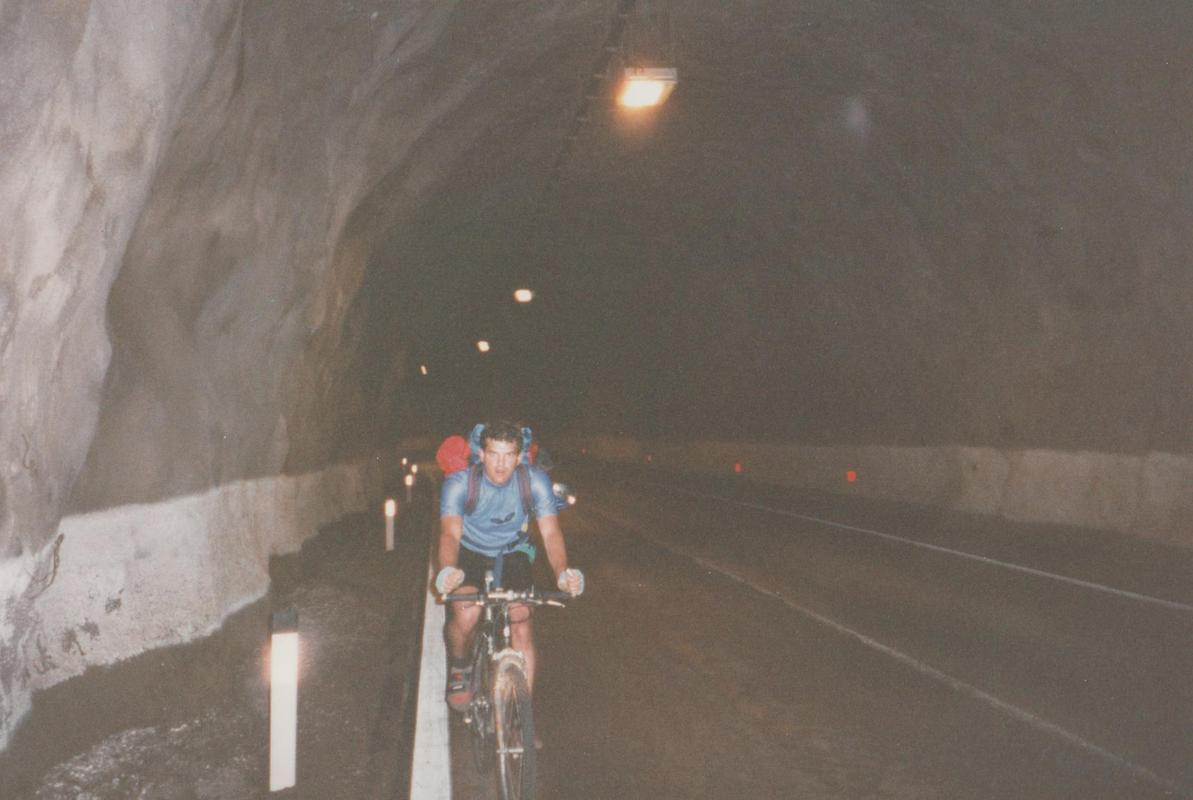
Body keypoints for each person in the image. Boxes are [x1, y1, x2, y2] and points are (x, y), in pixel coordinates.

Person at [435, 420, 585, 711]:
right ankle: (459, 667)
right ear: (481, 453)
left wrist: (562, 573)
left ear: (519, 457)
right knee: (466, 615)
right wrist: (446, 570)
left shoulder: (534, 481)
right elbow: (450, 534)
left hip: (513, 552)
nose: (501, 464)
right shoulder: (460, 484)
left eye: (508, 456)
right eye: (493, 454)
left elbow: (551, 533)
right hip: (471, 550)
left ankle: (521, 713)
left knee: (521, 621)